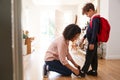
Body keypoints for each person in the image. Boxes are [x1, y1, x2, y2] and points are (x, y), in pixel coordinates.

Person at [79, 3, 100, 77]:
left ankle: (83, 71)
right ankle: (94, 71)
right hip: (92, 41)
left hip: (92, 42)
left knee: (88, 56)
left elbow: (94, 31)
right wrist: (84, 37)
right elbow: (90, 30)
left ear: (91, 10)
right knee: (93, 57)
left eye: (87, 13)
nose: (87, 15)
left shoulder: (95, 19)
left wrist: (92, 43)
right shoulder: (93, 18)